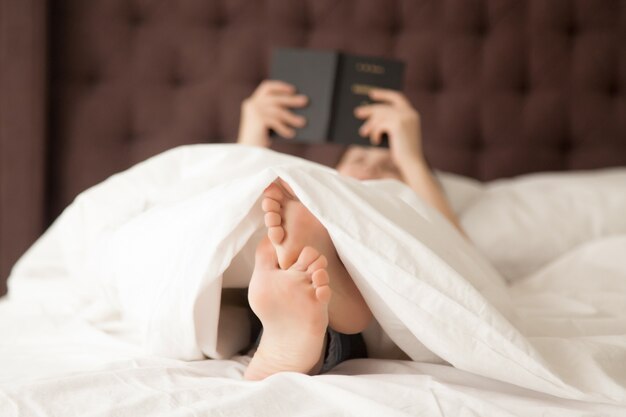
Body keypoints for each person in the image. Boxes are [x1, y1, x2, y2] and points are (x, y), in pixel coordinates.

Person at [237, 80, 465, 380]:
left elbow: (455, 247)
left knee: (308, 295)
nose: (370, 171)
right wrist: (251, 135)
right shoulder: (301, 203)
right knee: (295, 280)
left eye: (391, 168)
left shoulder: (410, 204)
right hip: (285, 277)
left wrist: (411, 158)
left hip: (370, 289)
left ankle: (306, 329)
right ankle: (303, 322)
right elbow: (230, 208)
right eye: (358, 160)